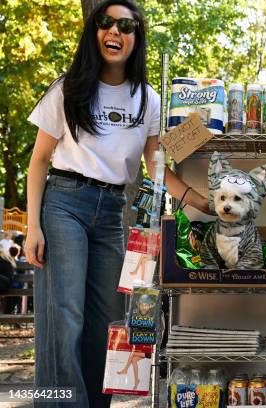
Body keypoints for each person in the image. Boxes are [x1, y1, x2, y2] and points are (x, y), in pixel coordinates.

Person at [24, 1, 210, 406]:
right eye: (107, 23)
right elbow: (38, 162)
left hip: (111, 212)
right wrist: (32, 227)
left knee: (106, 322)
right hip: (63, 204)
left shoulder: (148, 99)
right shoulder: (68, 88)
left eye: (126, 26)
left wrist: (202, 202)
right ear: (95, 33)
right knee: (65, 317)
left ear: (136, 38)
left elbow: (156, 167)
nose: (115, 32)